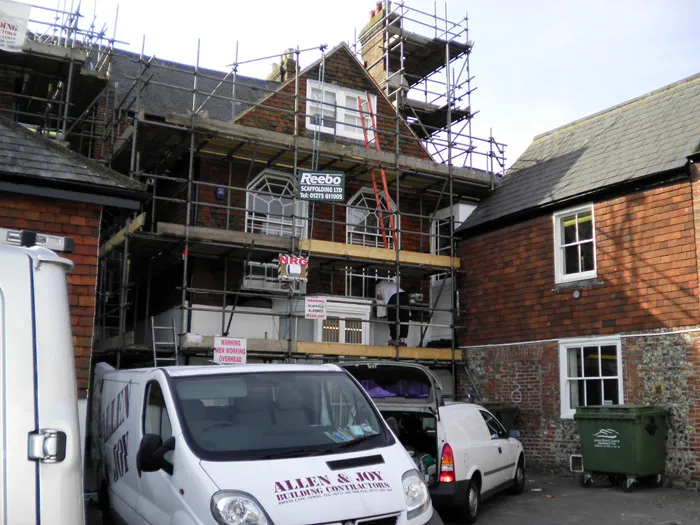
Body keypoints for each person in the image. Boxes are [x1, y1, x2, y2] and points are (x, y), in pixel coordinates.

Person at [376, 278, 411, 346]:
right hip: (404, 296)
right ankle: (403, 339)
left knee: (392, 319)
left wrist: (381, 314)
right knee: (404, 319)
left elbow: (380, 300)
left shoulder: (378, 286)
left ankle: (394, 338)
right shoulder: (391, 283)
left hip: (393, 298)